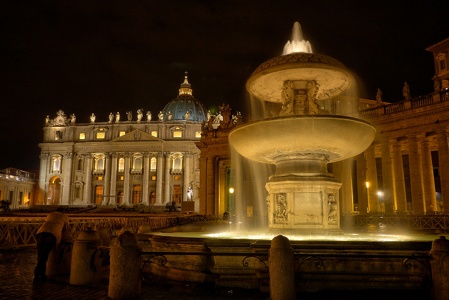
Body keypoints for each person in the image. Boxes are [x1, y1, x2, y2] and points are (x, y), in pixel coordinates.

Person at [34, 208, 69, 281]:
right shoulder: (65, 217)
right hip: (52, 234)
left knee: (40, 254)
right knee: (45, 255)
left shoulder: (50, 215)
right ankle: (38, 273)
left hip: (41, 232)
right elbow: (65, 230)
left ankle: (41, 274)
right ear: (63, 212)